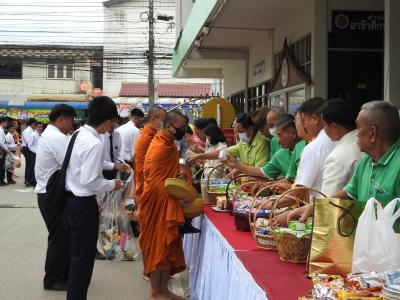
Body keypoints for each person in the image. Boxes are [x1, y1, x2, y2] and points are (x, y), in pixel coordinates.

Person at [288, 101, 400, 232]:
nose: (355, 133)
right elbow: (348, 193)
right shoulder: (366, 161)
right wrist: (315, 207)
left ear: (372, 133)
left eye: (358, 127)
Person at [63, 96, 123, 300]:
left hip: (70, 201)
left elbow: (82, 169)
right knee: (83, 261)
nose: (114, 125)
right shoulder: (94, 143)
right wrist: (112, 184)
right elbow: (90, 181)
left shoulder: (78, 134)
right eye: (114, 121)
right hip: (82, 205)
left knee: (76, 257)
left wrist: (110, 170)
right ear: (108, 120)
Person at [139, 110, 189, 300]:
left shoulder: (167, 143)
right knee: (159, 246)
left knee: (167, 247)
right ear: (169, 127)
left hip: (164, 198)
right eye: (182, 127)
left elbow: (169, 175)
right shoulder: (161, 146)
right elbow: (155, 182)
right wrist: (177, 196)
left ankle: (163, 290)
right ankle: (157, 291)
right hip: (158, 201)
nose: (184, 131)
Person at [34, 104, 77, 291]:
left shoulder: (53, 135)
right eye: (71, 121)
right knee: (59, 237)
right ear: (61, 119)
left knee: (61, 236)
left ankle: (59, 275)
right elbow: (72, 165)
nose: (72, 125)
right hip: (51, 194)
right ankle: (53, 279)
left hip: (49, 193)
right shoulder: (56, 137)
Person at [224, 114, 303, 180]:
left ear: (292, 133)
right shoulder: (282, 153)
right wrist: (236, 164)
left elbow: (298, 186)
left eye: (280, 135)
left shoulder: (303, 148)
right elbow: (262, 172)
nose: (278, 140)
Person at [188, 108, 270, 168]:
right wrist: (199, 156)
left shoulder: (262, 142)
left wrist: (238, 167)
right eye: (236, 131)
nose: (237, 135)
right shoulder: (243, 142)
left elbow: (259, 171)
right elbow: (221, 153)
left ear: (251, 129)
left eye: (240, 132)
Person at [319, 99, 362, 196]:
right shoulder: (366, 144)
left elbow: (327, 202)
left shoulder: (337, 157)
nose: (323, 130)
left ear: (334, 127)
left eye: (324, 126)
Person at [22, 118, 37, 187]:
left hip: (30, 148)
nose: (36, 126)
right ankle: (27, 180)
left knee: (31, 165)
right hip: (27, 149)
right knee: (30, 165)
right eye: (35, 124)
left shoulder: (32, 131)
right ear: (33, 124)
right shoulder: (27, 131)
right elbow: (28, 142)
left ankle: (30, 180)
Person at [0, 116, 9, 186]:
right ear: (3, 122)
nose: (7, 124)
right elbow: (0, 142)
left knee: (2, 165)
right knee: (1, 165)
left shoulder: (1, 129)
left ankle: (2, 180)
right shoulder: (0, 130)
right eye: (6, 122)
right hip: (1, 149)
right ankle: (1, 181)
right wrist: (6, 149)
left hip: (2, 148)